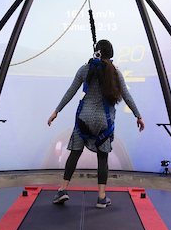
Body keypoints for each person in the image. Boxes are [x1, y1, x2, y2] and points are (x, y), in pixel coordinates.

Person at [47, 39, 144, 208]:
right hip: (104, 122)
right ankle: (101, 197)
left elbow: (71, 91)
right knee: (102, 157)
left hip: (83, 120)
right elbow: (127, 96)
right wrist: (138, 115)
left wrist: (57, 110)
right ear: (110, 54)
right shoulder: (115, 73)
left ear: (96, 52)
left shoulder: (84, 70)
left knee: (74, 154)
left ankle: (63, 189)